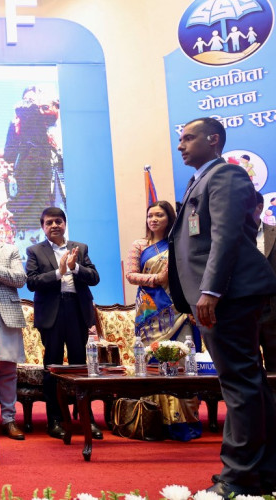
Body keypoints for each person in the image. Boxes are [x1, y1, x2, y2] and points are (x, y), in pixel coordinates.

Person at [169, 117, 276, 497]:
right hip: (221, 295)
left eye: (189, 138)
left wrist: (211, 291)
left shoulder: (226, 175)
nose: (181, 145)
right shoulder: (200, 179)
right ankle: (266, 473)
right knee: (250, 383)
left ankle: (238, 478)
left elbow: (226, 237)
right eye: (180, 139)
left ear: (213, 140)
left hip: (227, 295)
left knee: (239, 385)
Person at [124, 201, 202, 441]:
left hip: (179, 309)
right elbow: (130, 275)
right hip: (150, 311)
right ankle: (156, 420)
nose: (153, 219)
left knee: (183, 361)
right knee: (152, 362)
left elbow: (192, 274)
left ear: (170, 218)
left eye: (159, 215)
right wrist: (156, 278)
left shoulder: (180, 244)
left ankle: (185, 421)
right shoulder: (139, 245)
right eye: (150, 216)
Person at [25, 207, 102, 440]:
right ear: (43, 227)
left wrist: (74, 267)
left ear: (65, 224)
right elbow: (32, 282)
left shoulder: (80, 248)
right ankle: (55, 420)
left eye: (58, 221)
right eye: (49, 222)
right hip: (52, 314)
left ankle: (86, 418)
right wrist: (58, 273)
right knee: (53, 368)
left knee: (80, 366)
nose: (54, 226)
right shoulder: (35, 251)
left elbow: (94, 278)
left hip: (77, 311)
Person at [3, 86, 63, 242]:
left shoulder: (35, 152)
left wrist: (13, 210)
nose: (15, 121)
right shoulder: (26, 149)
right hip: (30, 220)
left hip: (34, 222)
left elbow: (29, 191)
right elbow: (8, 156)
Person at [0, 221, 27, 441]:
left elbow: (20, 279)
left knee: (8, 369)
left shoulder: (9, 249)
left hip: (7, 315)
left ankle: (9, 420)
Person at [253, 191, 276, 372]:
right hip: (243, 311)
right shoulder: (229, 237)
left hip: (272, 307)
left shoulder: (273, 233)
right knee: (248, 369)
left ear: (259, 208)